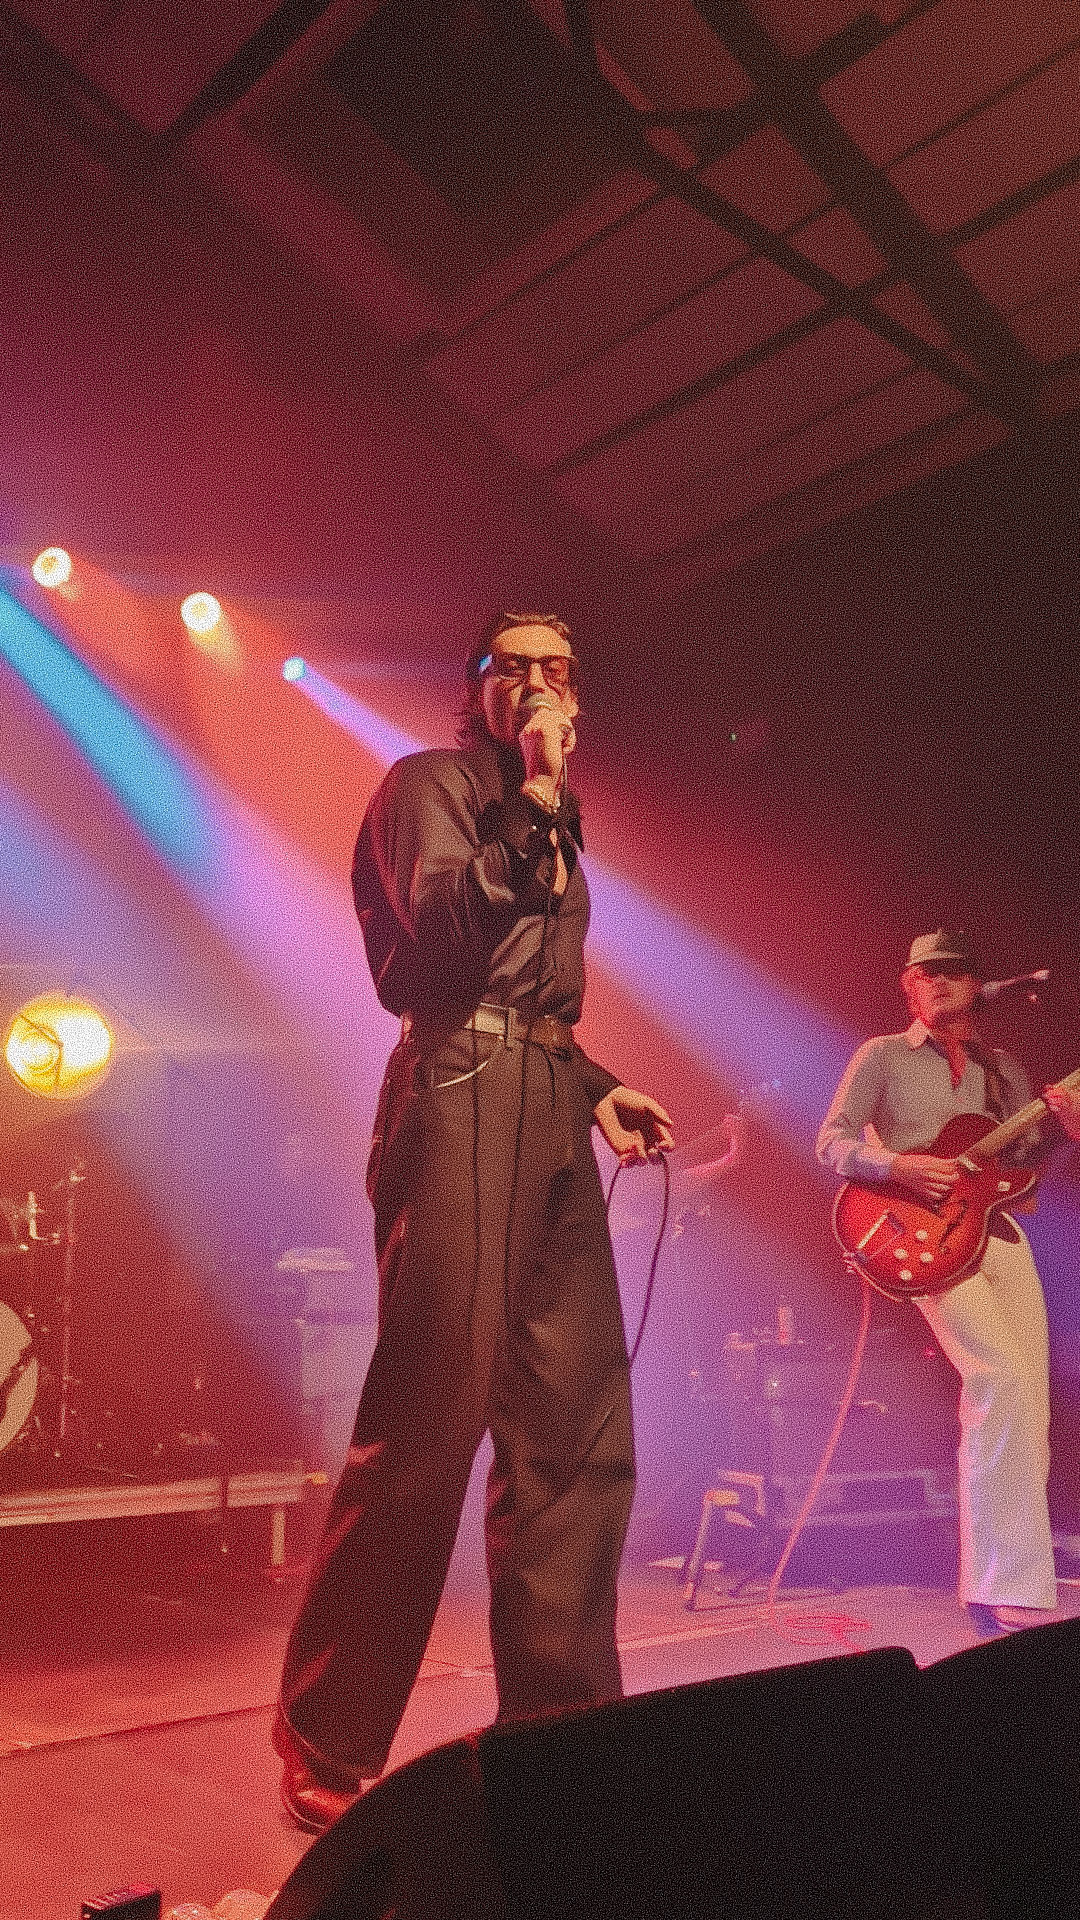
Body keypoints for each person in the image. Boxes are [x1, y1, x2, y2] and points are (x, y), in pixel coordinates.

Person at [275, 611, 674, 1829]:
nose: (542, 683)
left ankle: (565, 1735)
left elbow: (533, 990)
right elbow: (447, 942)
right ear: (478, 686)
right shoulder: (428, 788)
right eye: (518, 666)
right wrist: (537, 800)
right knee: (431, 1416)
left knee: (576, 1431)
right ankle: (327, 1734)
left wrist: (596, 1087)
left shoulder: (553, 815)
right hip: (457, 1092)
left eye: (561, 667)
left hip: (547, 1096)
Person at [817, 929, 1080, 1637]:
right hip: (922, 1237)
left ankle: (1018, 1579)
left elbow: (1024, 1166)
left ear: (974, 989)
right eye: (923, 975)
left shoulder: (1002, 1068)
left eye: (950, 974)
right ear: (909, 987)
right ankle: (996, 1584)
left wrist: (1066, 1128)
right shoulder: (881, 1056)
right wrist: (898, 1166)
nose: (935, 983)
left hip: (997, 1232)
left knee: (1028, 1397)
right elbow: (831, 1140)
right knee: (1000, 1380)